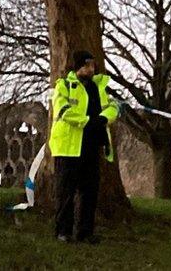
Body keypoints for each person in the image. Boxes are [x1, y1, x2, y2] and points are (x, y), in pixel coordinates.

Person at [49, 50, 120, 244]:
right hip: (69, 147)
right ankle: (63, 231)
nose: (91, 68)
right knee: (66, 192)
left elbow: (114, 107)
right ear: (79, 66)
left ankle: (85, 232)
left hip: (91, 146)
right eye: (87, 65)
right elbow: (64, 111)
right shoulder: (64, 86)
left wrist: (104, 118)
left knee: (89, 192)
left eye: (93, 65)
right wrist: (89, 121)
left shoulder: (100, 87)